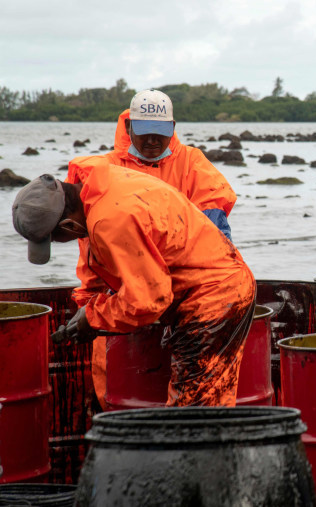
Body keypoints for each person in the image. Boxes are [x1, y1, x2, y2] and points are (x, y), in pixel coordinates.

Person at [12, 161, 255, 406]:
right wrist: (90, 303)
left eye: (56, 239)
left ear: (69, 226)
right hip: (204, 289)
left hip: (216, 296)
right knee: (196, 407)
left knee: (196, 412)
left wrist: (94, 318)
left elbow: (149, 300)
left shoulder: (111, 221)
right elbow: (114, 265)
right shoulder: (96, 185)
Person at [66, 89, 237, 408]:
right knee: (117, 384)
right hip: (124, 288)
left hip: (184, 288)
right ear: (129, 127)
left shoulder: (191, 162)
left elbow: (215, 226)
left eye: (161, 134)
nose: (152, 142)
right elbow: (91, 242)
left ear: (173, 129)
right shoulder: (106, 169)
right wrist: (89, 301)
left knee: (191, 384)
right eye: (144, 134)